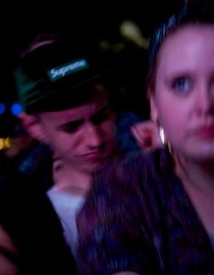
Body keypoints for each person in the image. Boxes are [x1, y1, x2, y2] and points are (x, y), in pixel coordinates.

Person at [62, 0, 214, 275]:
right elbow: (114, 258)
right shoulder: (124, 186)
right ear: (154, 101)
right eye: (181, 84)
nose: (204, 104)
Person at [13, 34, 128, 257]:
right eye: (72, 127)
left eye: (101, 116)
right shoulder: (35, 216)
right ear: (33, 127)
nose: (95, 140)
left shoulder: (159, 167)